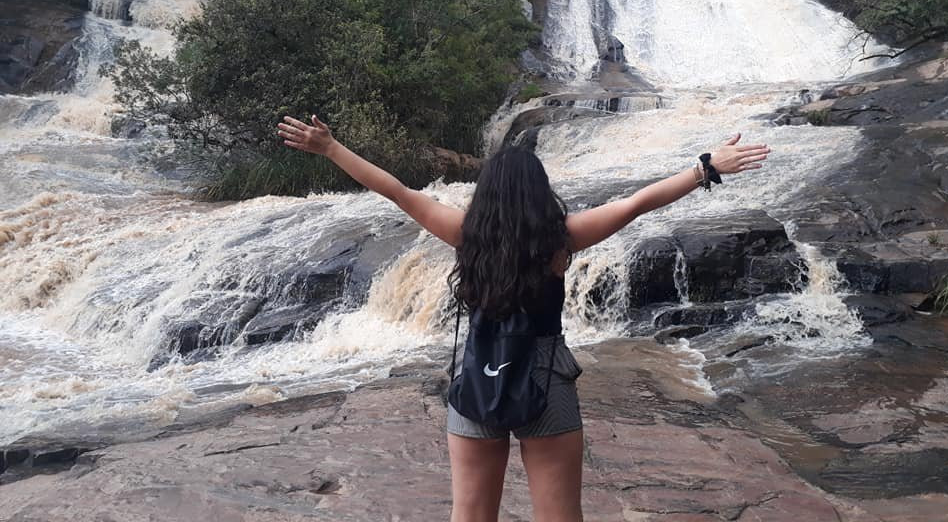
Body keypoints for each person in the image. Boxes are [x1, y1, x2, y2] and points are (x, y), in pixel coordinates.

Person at [277, 114, 770, 522]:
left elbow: (398, 192)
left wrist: (332, 148)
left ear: (486, 193)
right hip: (545, 375)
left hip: (480, 374)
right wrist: (706, 168)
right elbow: (638, 203)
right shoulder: (562, 239)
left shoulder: (465, 234)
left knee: (470, 514)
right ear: (540, 192)